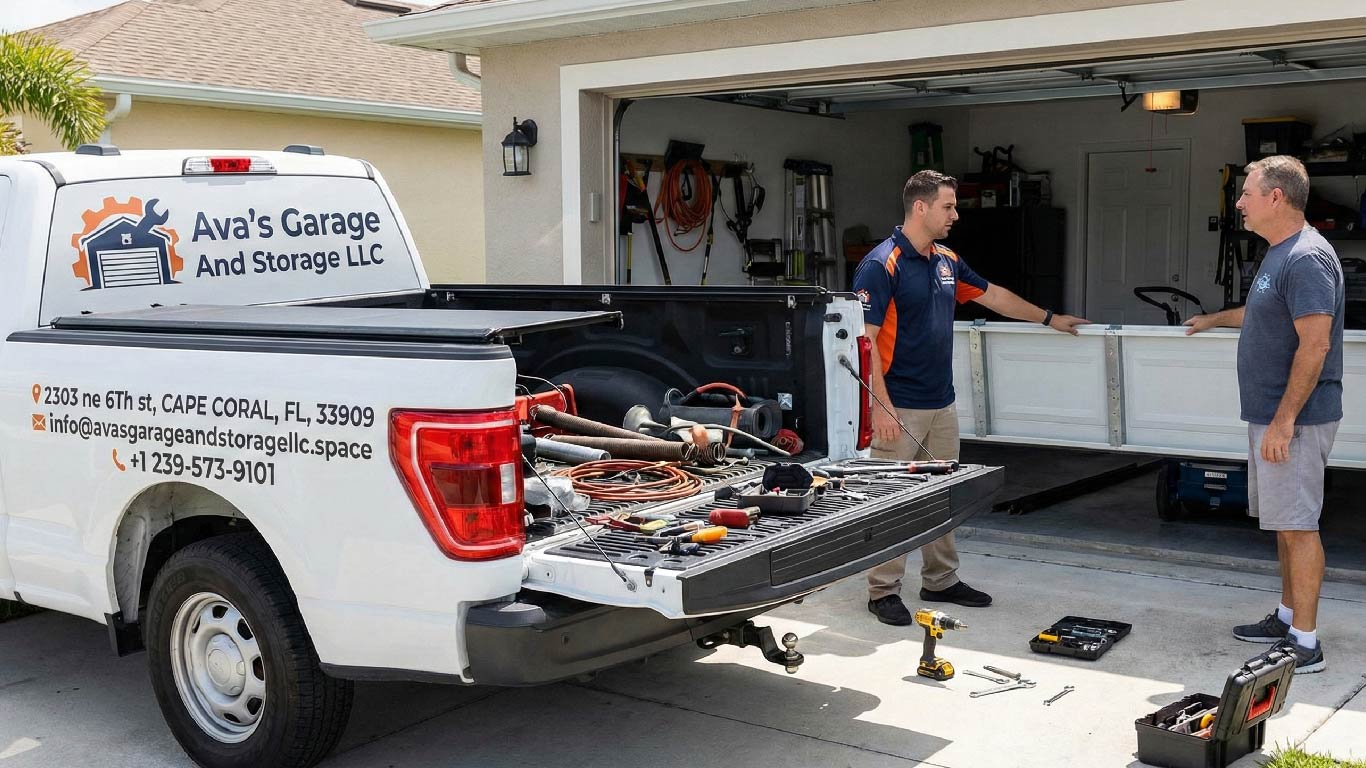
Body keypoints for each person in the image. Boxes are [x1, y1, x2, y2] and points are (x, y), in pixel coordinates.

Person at [854, 170, 1089, 625]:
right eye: (948, 206)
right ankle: (882, 591)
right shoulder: (881, 265)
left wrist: (1048, 318)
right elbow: (864, 344)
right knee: (894, 500)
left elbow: (993, 296)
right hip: (898, 406)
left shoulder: (945, 260)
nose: (955, 215)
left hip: (941, 402)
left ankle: (940, 581)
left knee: (944, 495)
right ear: (920, 207)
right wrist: (878, 407)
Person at [1184, 155, 1344, 674]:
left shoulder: (1306, 258)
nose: (1239, 203)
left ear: (1276, 196)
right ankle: (1286, 616)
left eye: (1247, 193)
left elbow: (1315, 345)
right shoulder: (1279, 254)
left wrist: (1283, 422)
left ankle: (1306, 642)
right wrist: (1213, 319)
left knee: (1298, 526)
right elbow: (1264, 312)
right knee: (1283, 523)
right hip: (1274, 416)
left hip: (1293, 419)